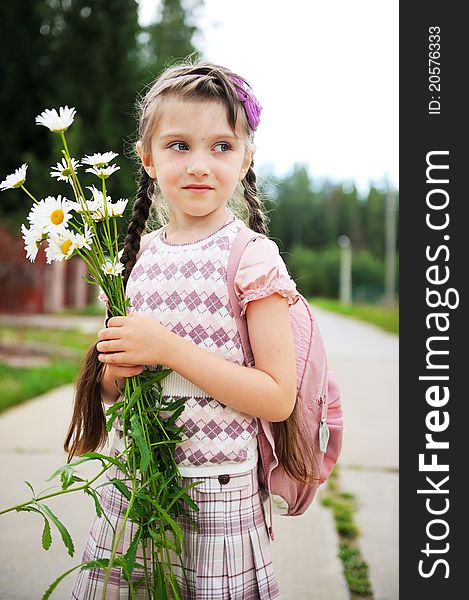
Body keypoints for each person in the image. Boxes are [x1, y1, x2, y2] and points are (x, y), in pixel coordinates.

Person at [69, 61, 302, 600]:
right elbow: (111, 389)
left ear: (247, 158)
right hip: (137, 490)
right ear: (146, 159)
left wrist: (169, 349)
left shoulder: (252, 259)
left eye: (222, 146)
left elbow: (277, 397)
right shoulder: (133, 258)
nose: (200, 165)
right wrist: (115, 375)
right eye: (179, 145)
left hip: (217, 497)